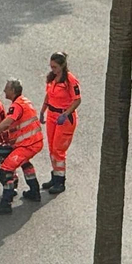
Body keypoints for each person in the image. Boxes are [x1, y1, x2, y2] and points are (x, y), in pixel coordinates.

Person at [0, 78, 44, 214]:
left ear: (13, 90)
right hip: (33, 142)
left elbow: (7, 122)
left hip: (28, 144)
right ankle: (34, 192)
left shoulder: (17, 106)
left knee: (6, 169)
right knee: (25, 163)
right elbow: (17, 126)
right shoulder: (24, 102)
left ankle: (6, 204)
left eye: (6, 88)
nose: (4, 90)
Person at [39, 52, 81, 195]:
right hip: (52, 114)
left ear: (62, 65)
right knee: (52, 148)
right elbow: (49, 95)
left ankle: (60, 181)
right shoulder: (53, 78)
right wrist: (43, 110)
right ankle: (55, 176)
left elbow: (77, 100)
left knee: (59, 150)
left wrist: (66, 114)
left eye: (55, 67)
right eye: (51, 66)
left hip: (64, 118)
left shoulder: (70, 80)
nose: (53, 69)